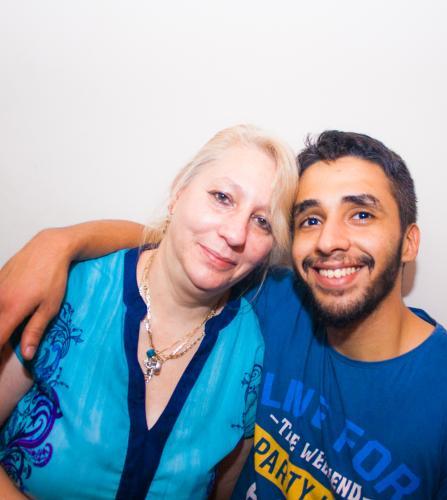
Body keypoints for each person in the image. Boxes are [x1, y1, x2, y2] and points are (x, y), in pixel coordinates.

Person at [1, 130, 447, 499]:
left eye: (362, 214)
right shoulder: (279, 303)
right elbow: (182, 248)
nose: (330, 241)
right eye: (311, 219)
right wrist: (61, 242)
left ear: (409, 242)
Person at [0, 124, 299, 499]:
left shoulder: (249, 349)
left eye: (262, 222)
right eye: (222, 197)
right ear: (179, 193)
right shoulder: (75, 290)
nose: (236, 233)